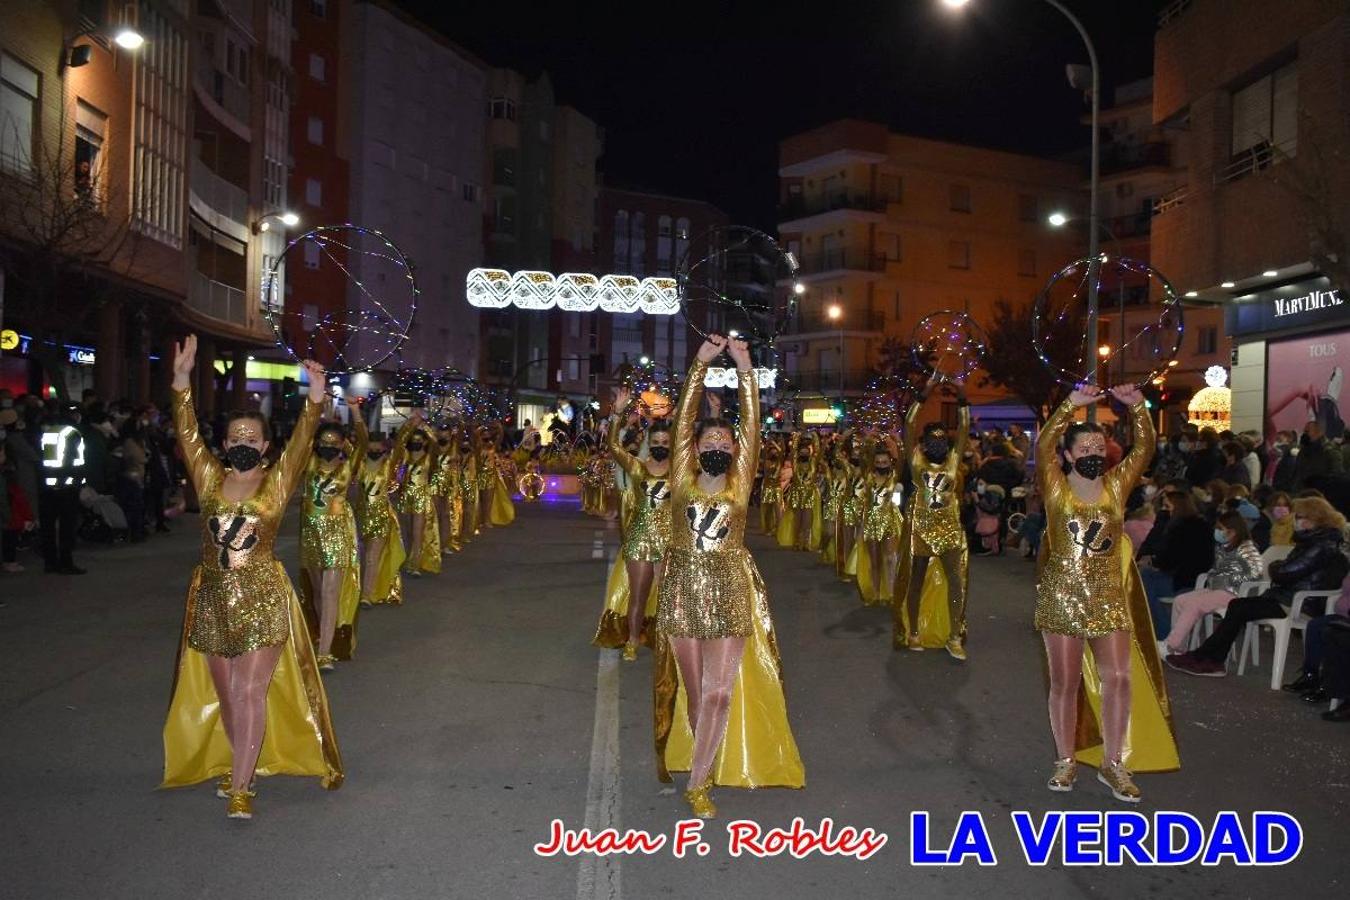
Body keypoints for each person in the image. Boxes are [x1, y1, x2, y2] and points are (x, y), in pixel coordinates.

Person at [161, 335, 342, 819]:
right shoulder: (208, 477)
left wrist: (316, 393)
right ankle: (242, 761)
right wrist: (181, 380)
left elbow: (305, 438)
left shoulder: (277, 481)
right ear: (225, 443)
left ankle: (241, 786)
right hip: (213, 601)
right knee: (226, 695)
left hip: (263, 595)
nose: (242, 443)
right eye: (235, 437)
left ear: (265, 445)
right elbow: (186, 433)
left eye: (251, 438)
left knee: (249, 691)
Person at [653, 335, 804, 818]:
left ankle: (699, 784)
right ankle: (705, 760)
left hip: (730, 589)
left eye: (724, 440)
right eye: (708, 440)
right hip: (681, 591)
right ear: (694, 449)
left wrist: (745, 368)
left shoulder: (742, 480)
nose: (717, 444)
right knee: (696, 694)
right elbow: (678, 425)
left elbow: (754, 428)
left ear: (734, 448)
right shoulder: (679, 479)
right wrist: (698, 364)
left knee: (720, 692)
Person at [1034, 383, 1178, 802]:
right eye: (1084, 448)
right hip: (1061, 596)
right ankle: (1065, 760)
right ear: (1069, 456)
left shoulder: (1117, 486)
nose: (1094, 453)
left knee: (1118, 677)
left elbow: (1145, 450)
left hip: (1108, 598)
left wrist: (1139, 408)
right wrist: (1070, 405)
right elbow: (1044, 444)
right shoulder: (1054, 486)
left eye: (1099, 446)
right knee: (1065, 683)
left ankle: (1115, 764)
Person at [1167, 496, 1349, 677]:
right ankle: (1208, 657)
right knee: (1238, 606)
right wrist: (1279, 568)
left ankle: (1210, 659)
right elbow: (1287, 570)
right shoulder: (1313, 541)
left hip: (1299, 603)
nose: (1296, 520)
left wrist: (1276, 566)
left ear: (1314, 519)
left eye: (1300, 517)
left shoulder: (1320, 545)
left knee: (1238, 607)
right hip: (1286, 596)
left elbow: (1285, 572)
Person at [893, 373, 970, 658]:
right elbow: (909, 424)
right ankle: (913, 631)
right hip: (921, 527)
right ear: (923, 444)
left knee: (956, 580)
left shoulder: (953, 460)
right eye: (932, 439)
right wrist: (925, 390)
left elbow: (964, 427)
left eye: (942, 439)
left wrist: (962, 396)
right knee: (916, 580)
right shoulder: (916, 462)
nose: (937, 443)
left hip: (949, 527)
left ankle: (954, 636)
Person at [594, 387, 672, 661]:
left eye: (666, 441)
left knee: (667, 597)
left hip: (669, 541)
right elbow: (614, 447)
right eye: (657, 441)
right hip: (640, 537)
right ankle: (632, 639)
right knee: (638, 595)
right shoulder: (638, 467)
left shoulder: (681, 471)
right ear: (649, 443)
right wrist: (616, 414)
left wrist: (714, 414)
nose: (661, 445)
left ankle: (665, 641)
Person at [298, 409, 368, 670]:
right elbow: (301, 440)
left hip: (337, 533)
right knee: (316, 591)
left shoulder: (348, 467)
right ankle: (320, 634)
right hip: (310, 534)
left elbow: (362, 439)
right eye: (323, 443)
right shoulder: (310, 463)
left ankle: (325, 653)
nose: (327, 448)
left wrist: (355, 411)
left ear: (342, 446)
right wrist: (314, 410)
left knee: (330, 592)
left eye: (333, 444)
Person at [1160, 510, 1264, 655]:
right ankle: (1179, 648)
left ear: (1233, 531)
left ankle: (1171, 644)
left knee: (1194, 604)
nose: (1217, 532)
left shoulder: (1248, 548)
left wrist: (1226, 578)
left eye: (1221, 529)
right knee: (1180, 600)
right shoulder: (1224, 547)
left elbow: (1256, 574)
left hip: (1235, 593)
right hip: (1217, 589)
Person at [1136, 490, 1215, 638]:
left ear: (1178, 507)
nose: (1165, 510)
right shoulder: (1202, 525)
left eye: (1168, 506)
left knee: (1142, 581)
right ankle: (1161, 629)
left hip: (1182, 580)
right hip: (1194, 578)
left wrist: (1152, 561)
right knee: (1144, 580)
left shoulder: (1180, 528)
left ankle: (1163, 630)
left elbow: (1169, 559)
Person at [355, 430, 406, 606]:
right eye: (371, 449)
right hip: (362, 518)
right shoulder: (360, 465)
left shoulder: (388, 465)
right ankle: (369, 588)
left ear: (384, 449)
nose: (374, 452)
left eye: (378, 449)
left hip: (382, 517)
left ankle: (367, 595)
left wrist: (409, 425)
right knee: (365, 556)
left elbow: (400, 446)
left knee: (371, 557)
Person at [1282, 571, 1350, 702]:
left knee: (1330, 633)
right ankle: (1310, 675)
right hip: (1342, 616)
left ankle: (1327, 685)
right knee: (1314, 626)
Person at [854, 435, 904, 604]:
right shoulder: (868, 477)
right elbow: (861, 458)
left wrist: (897, 442)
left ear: (890, 463)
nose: (882, 465)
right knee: (875, 561)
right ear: (873, 464)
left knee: (890, 558)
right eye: (878, 463)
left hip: (888, 521)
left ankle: (890, 593)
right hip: (871, 523)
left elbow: (903, 459)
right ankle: (875, 594)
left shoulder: (894, 477)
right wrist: (867, 441)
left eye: (885, 462)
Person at [38, 405, 87, 574]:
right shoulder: (72, 433)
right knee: (67, 526)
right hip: (67, 486)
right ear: (74, 416)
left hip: (46, 486)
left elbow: (41, 458)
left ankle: (50, 562)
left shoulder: (47, 432)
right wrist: (80, 481)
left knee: (48, 526)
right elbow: (76, 462)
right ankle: (66, 562)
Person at [394, 414, 441, 576]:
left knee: (417, 532)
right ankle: (407, 558)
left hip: (421, 496)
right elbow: (400, 442)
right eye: (413, 440)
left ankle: (415, 564)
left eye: (419, 440)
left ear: (425, 442)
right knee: (406, 531)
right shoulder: (406, 456)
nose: (415, 442)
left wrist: (423, 425)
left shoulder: (429, 457)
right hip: (406, 496)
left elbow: (435, 443)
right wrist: (410, 425)